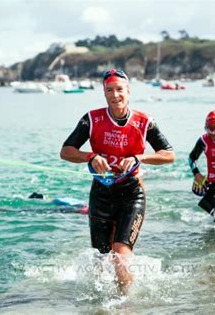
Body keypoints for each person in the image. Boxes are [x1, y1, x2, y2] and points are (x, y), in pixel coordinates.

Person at [60, 68, 175, 293]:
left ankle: (125, 305)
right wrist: (90, 156)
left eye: (119, 90)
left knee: (120, 257)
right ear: (104, 93)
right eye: (109, 90)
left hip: (132, 193)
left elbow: (169, 155)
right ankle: (103, 306)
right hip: (101, 193)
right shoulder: (91, 119)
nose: (115, 95)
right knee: (100, 262)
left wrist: (138, 158)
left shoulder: (144, 122)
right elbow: (66, 151)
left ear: (128, 91)